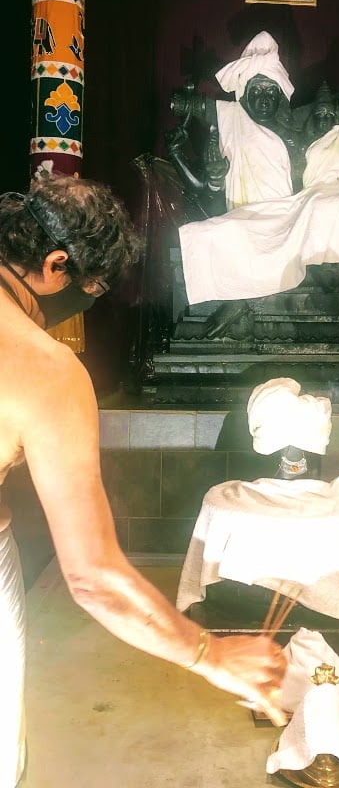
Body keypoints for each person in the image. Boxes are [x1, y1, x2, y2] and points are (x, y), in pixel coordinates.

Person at [0, 175, 287, 787]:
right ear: (56, 265)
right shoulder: (46, 369)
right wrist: (210, 653)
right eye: (92, 290)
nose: (86, 304)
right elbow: (93, 577)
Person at [177, 32, 339, 316]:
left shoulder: (297, 128)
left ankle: (298, 286)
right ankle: (241, 300)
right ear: (244, 94)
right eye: (257, 90)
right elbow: (183, 104)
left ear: (280, 95)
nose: (264, 98)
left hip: (289, 215)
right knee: (209, 233)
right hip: (246, 216)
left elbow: (334, 122)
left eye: (270, 91)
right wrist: (193, 82)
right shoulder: (231, 117)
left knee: (335, 207)